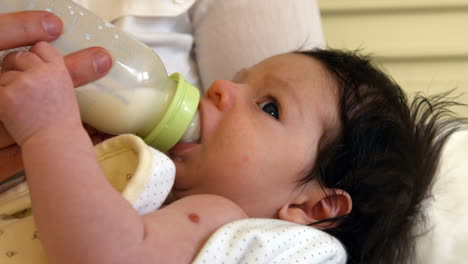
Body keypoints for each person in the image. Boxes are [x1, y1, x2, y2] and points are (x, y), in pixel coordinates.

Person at [0, 10, 465, 264]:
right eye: (240, 78)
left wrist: (50, 130)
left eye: (269, 107)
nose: (221, 87)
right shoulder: (181, 206)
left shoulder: (231, 224)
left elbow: (106, 254)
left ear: (310, 207)